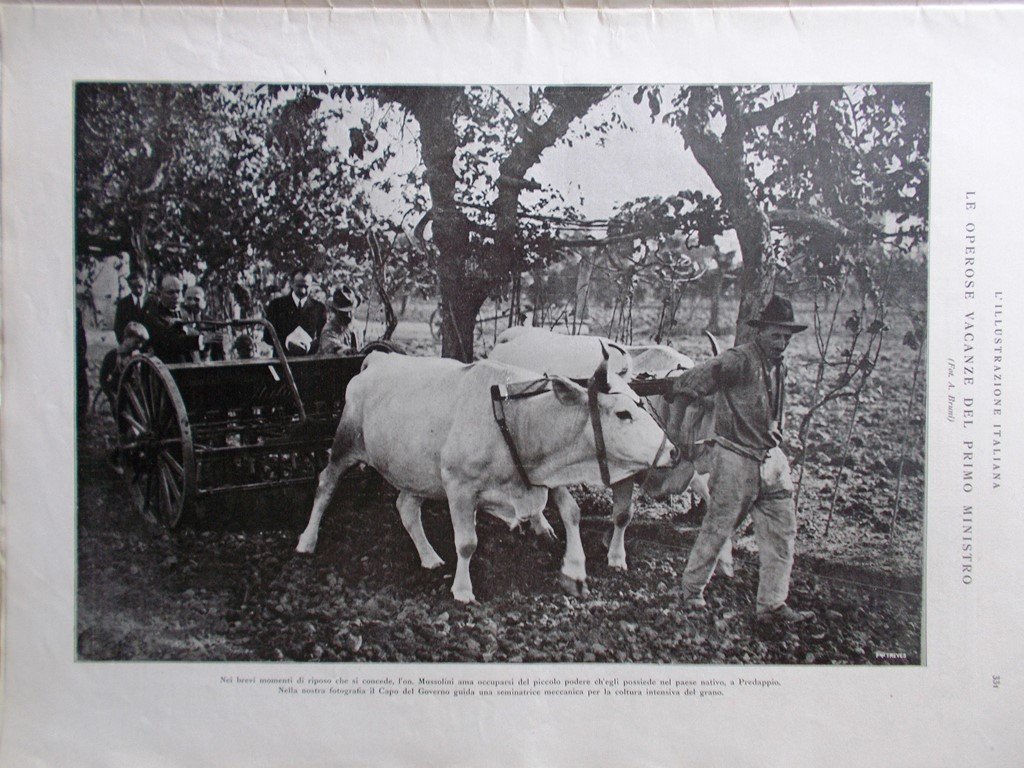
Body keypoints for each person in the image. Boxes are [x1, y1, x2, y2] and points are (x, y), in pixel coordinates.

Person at [670, 294, 815, 627]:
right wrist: (679, 428)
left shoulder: (779, 366)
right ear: (759, 332)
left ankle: (772, 605)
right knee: (719, 528)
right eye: (776, 335)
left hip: (771, 460)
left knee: (782, 532)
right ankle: (691, 592)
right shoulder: (738, 360)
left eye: (787, 336)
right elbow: (689, 382)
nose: (782, 342)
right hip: (735, 458)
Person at [263, 267, 327, 355]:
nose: (303, 291)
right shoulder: (276, 305)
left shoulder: (319, 308)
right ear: (291, 284)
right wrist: (287, 343)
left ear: (311, 285)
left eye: (306, 287)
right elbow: (267, 336)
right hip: (283, 359)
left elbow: (323, 337)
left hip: (309, 360)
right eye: (299, 286)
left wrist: (309, 346)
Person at [143, 274, 206, 363]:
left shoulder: (186, 313)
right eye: (171, 292)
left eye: (178, 291)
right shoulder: (154, 316)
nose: (176, 296)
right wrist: (200, 339)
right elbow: (169, 341)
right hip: (169, 367)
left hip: (192, 365)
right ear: (160, 292)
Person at [98, 321, 150, 414]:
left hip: (136, 397)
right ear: (126, 338)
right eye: (137, 342)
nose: (140, 345)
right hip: (118, 396)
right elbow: (103, 379)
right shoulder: (112, 356)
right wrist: (111, 396)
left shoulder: (138, 356)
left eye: (142, 343)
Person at [181, 284, 225, 360]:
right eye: (189, 299)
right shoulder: (180, 320)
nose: (192, 302)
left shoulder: (211, 322)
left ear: (204, 302)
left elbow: (218, 352)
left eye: (196, 299)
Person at [318, 285, 361, 355]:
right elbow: (336, 349)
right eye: (344, 312)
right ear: (336, 311)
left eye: (351, 311)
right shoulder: (329, 331)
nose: (349, 316)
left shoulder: (356, 326)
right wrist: (346, 350)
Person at [114, 272, 149, 343]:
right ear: (129, 286)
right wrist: (126, 344)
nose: (138, 290)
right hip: (130, 345)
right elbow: (118, 327)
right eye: (134, 287)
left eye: (140, 286)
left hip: (150, 345)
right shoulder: (123, 304)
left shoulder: (153, 301)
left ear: (145, 283)